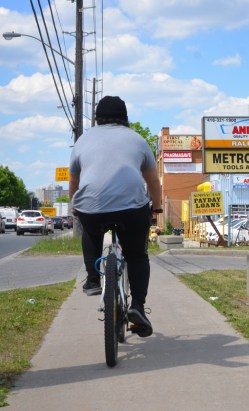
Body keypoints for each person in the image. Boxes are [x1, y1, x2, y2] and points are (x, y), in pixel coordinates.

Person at [68, 95, 162, 338]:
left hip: (91, 207)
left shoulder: (82, 140)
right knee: (138, 255)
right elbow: (153, 181)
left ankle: (92, 279)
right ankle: (138, 307)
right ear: (125, 119)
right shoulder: (138, 140)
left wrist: (74, 207)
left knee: (90, 228)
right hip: (131, 209)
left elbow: (74, 182)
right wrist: (157, 208)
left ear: (97, 118)